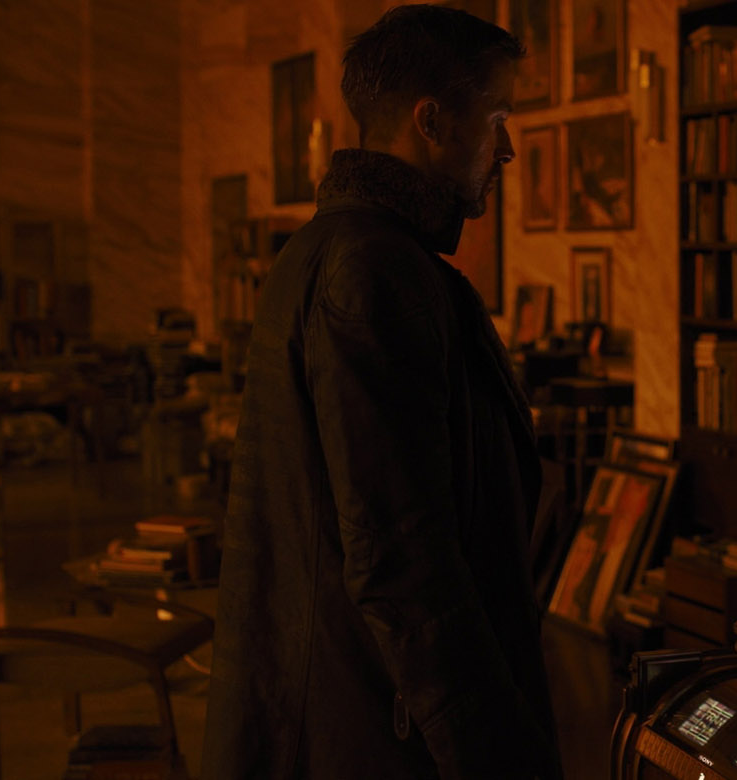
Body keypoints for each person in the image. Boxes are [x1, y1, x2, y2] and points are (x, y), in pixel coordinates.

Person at [201, 7, 562, 779]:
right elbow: (400, 556)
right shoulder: (374, 270)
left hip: (348, 705)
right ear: (431, 122)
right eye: (497, 120)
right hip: (372, 729)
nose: (506, 148)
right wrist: (493, 752)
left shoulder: (333, 249)